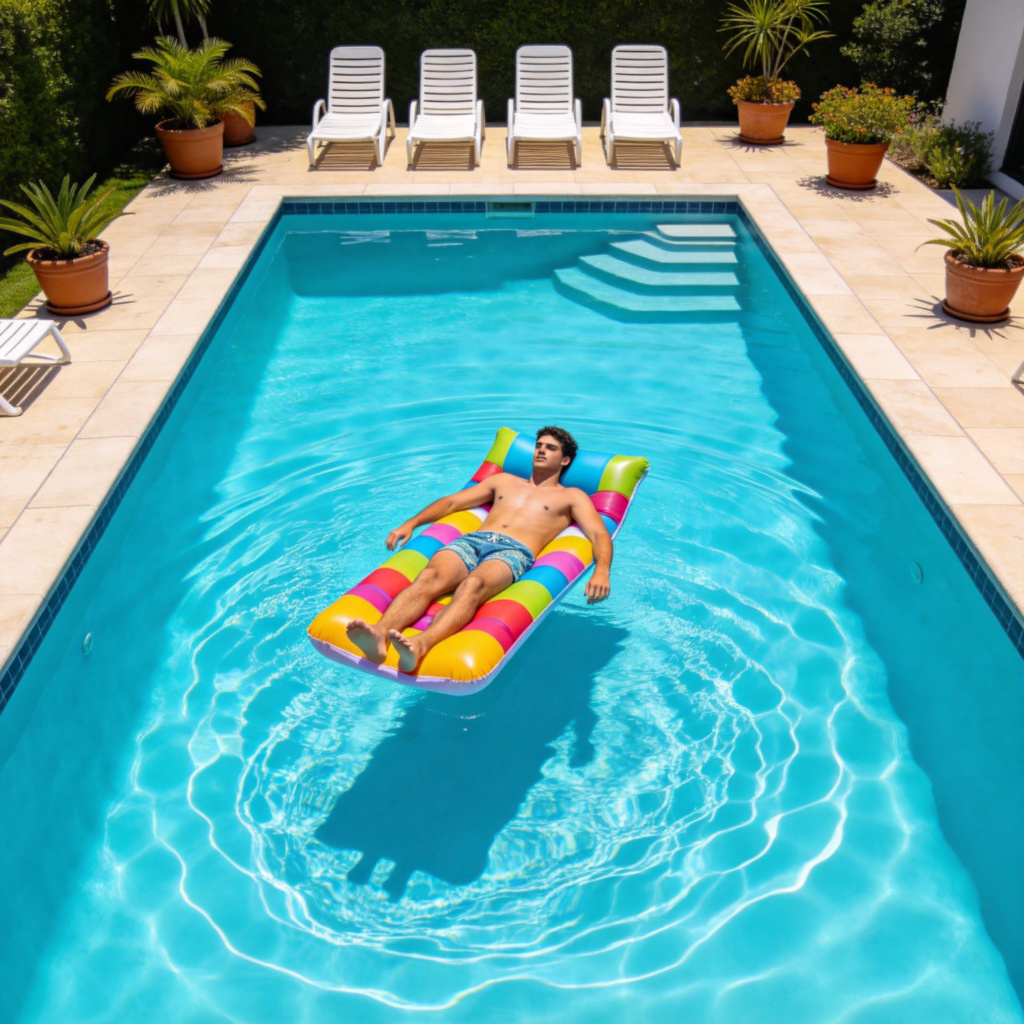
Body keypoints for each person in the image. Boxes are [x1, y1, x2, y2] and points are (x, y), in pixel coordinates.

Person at [346, 426, 613, 673]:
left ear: (565, 460)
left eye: (551, 448)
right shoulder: (505, 481)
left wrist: (601, 570)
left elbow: (599, 533)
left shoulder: (572, 496)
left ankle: (421, 644)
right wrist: (412, 523)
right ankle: (379, 634)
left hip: (513, 551)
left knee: (472, 585)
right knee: (428, 577)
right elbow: (452, 503)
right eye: (539, 445)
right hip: (474, 540)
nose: (541, 450)